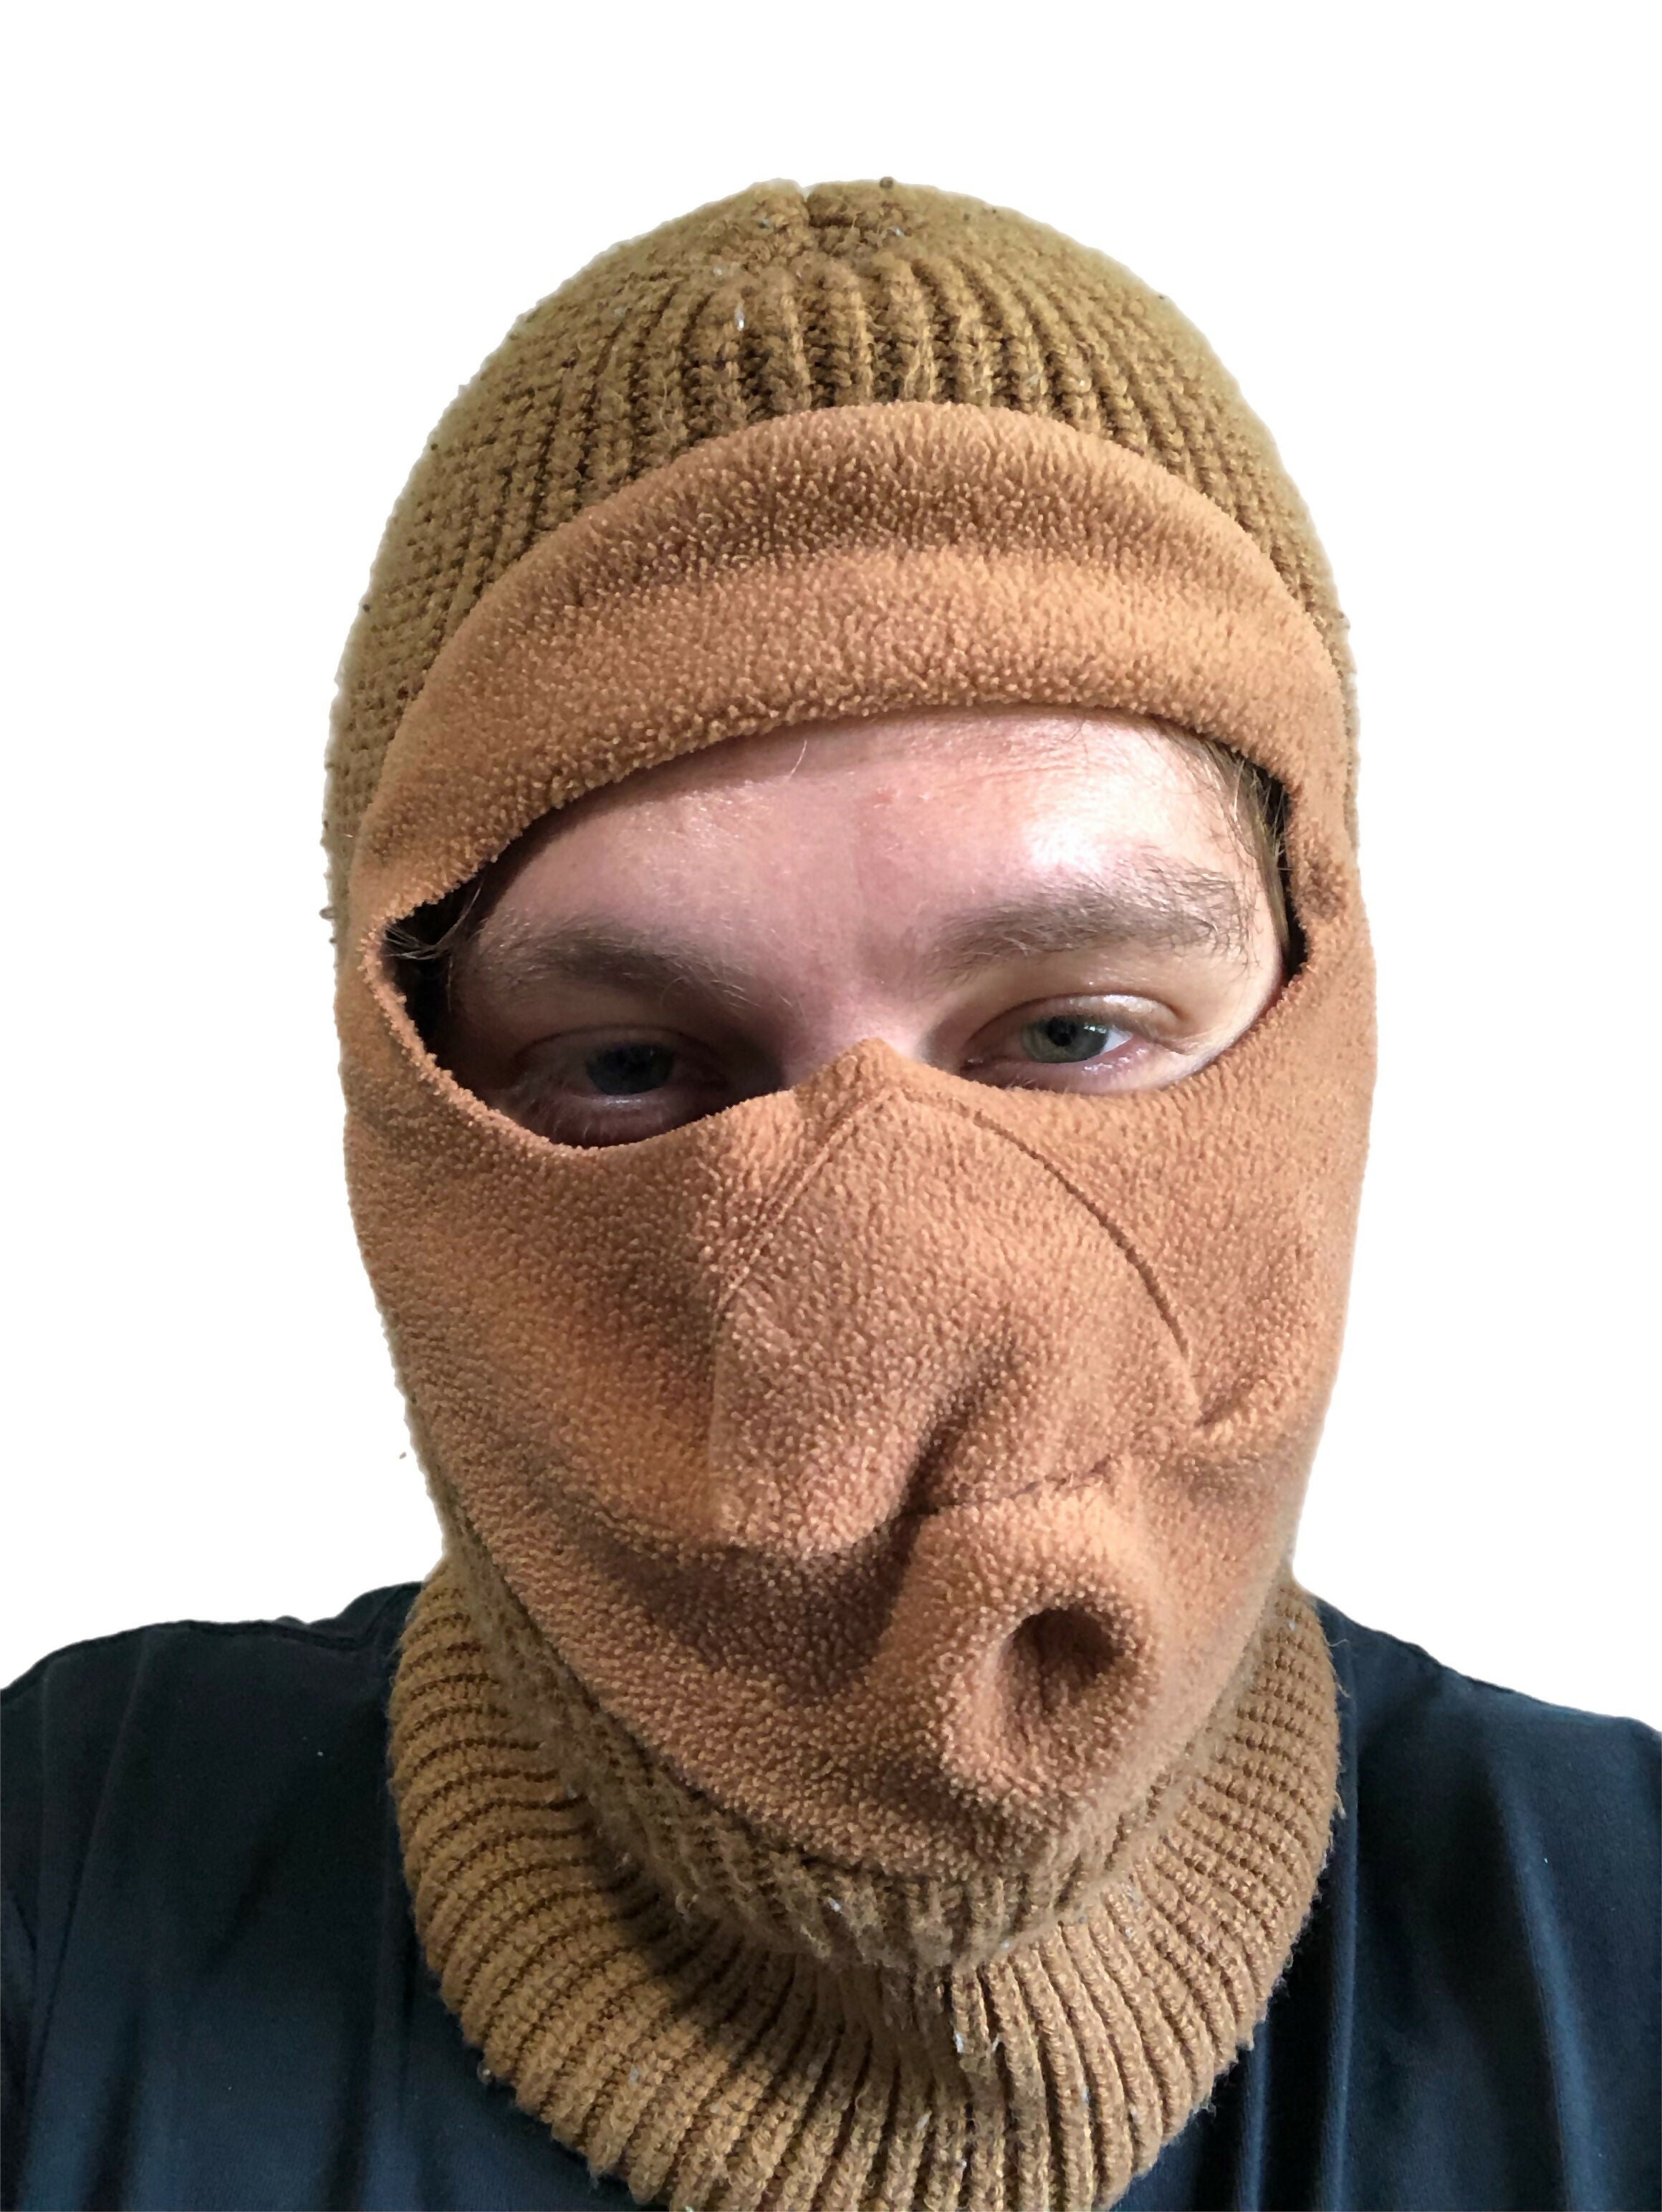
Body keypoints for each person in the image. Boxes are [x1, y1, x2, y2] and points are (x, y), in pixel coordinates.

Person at [3, 178, 1656, 2212]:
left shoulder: (1625, 1943)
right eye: (632, 1064)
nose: (888, 1308)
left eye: (1074, 1031)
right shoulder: (61, 1886)